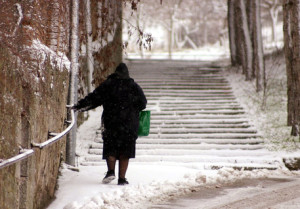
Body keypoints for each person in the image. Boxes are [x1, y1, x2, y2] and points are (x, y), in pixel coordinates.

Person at [72, 63, 147, 185]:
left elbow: (94, 98)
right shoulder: (133, 86)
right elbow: (143, 103)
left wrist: (79, 106)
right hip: (129, 124)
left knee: (111, 148)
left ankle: (110, 171)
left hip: (111, 122)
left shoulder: (108, 85)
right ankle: (122, 179)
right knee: (125, 151)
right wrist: (131, 109)